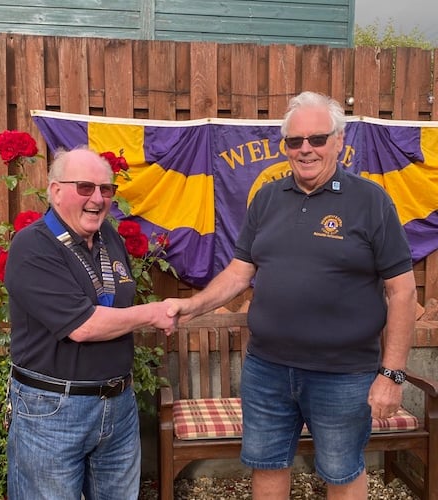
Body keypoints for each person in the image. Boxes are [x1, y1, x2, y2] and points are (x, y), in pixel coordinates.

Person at [165, 91, 417, 500]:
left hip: (343, 373)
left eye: (317, 139)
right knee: (266, 466)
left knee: (343, 473)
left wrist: (391, 375)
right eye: (295, 141)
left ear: (339, 140)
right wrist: (193, 305)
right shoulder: (267, 198)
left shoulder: (370, 201)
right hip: (267, 368)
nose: (305, 149)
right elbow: (240, 270)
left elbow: (401, 290)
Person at [4, 147, 176, 500]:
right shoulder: (33, 245)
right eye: (85, 187)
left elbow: (113, 301)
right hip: (52, 411)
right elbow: (82, 326)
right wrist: (153, 313)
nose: (98, 198)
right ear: (55, 191)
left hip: (118, 406)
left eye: (106, 189)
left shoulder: (108, 236)